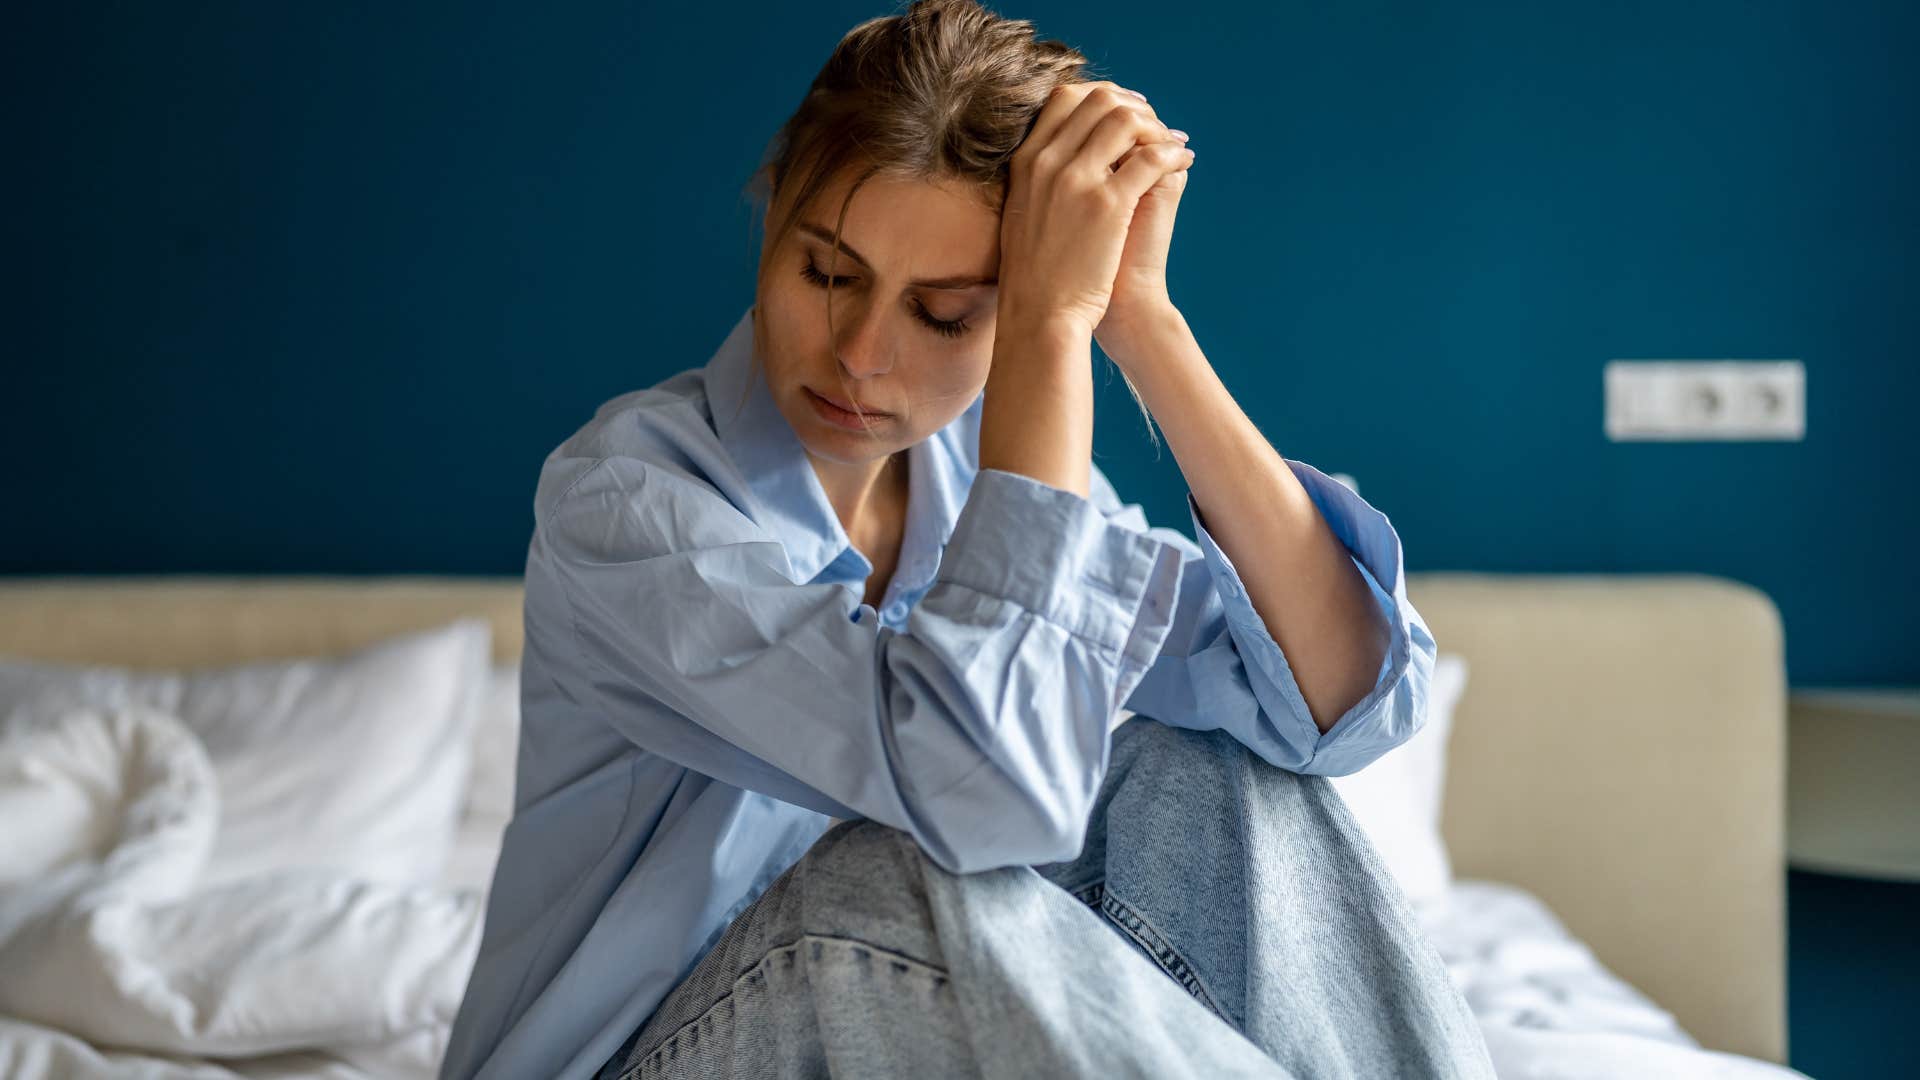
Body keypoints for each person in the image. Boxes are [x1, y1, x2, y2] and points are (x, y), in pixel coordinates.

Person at [440, 1, 1493, 1077]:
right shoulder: (626, 504)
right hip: (638, 1060)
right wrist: (1041, 333)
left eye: (943, 313)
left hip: (887, 1038)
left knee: (1210, 771)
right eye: (829, 274)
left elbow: (1335, 703)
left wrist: (1135, 318)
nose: (860, 352)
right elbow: (984, 796)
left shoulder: (994, 488)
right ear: (771, 222)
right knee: (905, 879)